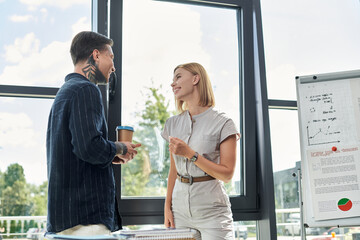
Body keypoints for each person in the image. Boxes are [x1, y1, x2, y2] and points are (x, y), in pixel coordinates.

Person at [46, 31, 141, 236]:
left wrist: (110, 155)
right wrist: (120, 147)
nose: (114, 67)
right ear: (96, 55)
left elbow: (78, 149)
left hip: (66, 220)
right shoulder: (86, 89)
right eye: (111, 57)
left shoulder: (65, 92)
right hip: (86, 220)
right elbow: (89, 146)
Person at [161, 62, 240, 240]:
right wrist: (167, 207)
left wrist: (191, 154)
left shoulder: (223, 123)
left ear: (196, 79)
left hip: (212, 212)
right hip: (180, 211)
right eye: (172, 79)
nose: (173, 83)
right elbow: (174, 170)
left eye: (178, 77)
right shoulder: (172, 124)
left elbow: (227, 174)